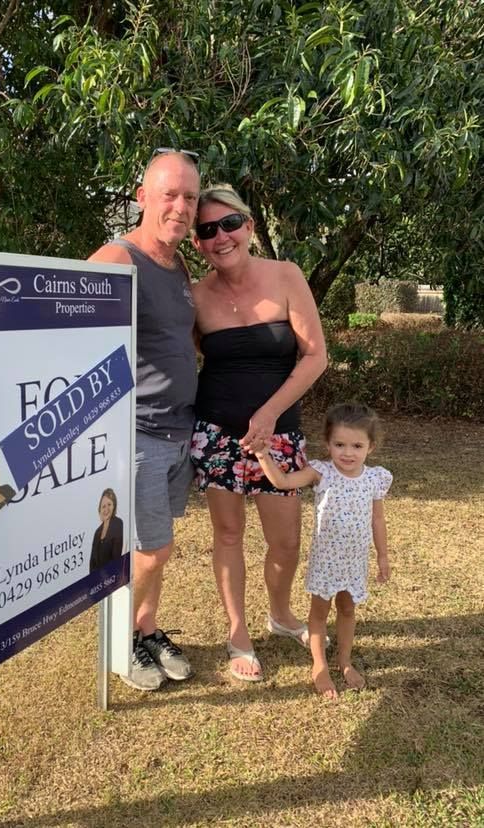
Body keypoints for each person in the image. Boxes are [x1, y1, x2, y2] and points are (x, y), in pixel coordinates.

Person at [190, 185, 327, 682]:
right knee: (227, 535)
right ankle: (237, 633)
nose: (220, 237)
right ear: (197, 243)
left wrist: (269, 414)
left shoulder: (286, 275)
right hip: (217, 436)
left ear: (248, 225)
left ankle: (280, 613)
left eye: (229, 224)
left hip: (279, 437)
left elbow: (315, 356)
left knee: (285, 542)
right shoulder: (197, 296)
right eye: (206, 230)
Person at [88, 149, 201, 691]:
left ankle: (146, 630)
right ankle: (120, 643)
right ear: (142, 198)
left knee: (158, 544)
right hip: (138, 433)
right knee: (152, 550)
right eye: (169, 194)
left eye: (190, 197)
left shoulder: (178, 265)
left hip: (179, 432)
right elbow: (55, 311)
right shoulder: (120, 258)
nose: (181, 206)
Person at [255, 402, 392, 698]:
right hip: (326, 562)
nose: (348, 452)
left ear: (370, 447)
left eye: (357, 445)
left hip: (355, 562)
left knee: (347, 610)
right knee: (318, 614)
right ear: (328, 444)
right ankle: (319, 665)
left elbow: (377, 519)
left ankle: (344, 661)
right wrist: (262, 454)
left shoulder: (374, 478)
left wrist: (382, 555)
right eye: (339, 444)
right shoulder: (321, 472)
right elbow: (282, 481)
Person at [89, 488, 124, 573]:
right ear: (100, 509)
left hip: (111, 577)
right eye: (103, 506)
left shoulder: (117, 523)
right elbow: (92, 562)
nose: (106, 509)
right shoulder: (97, 532)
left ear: (114, 506)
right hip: (97, 580)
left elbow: (116, 557)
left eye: (109, 504)